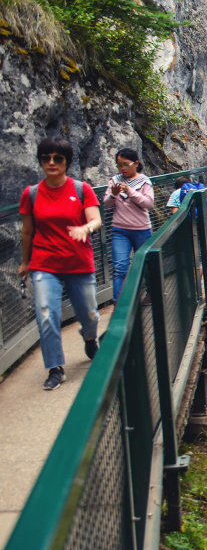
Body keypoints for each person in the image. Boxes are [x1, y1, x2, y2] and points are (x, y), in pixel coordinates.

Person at [18, 138, 102, 390]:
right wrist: (25, 263)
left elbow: (95, 219)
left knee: (90, 314)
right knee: (46, 313)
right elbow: (26, 232)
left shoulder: (81, 189)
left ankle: (89, 337)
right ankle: (55, 367)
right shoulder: (31, 194)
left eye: (58, 158)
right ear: (41, 161)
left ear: (67, 162)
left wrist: (85, 228)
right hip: (45, 263)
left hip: (78, 262)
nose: (52, 162)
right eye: (46, 158)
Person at [103, 148, 154, 303]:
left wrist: (131, 192)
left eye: (125, 164)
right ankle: (119, 303)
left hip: (142, 230)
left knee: (147, 265)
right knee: (120, 266)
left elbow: (149, 203)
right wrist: (113, 194)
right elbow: (106, 204)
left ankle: (151, 294)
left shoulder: (144, 181)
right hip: (120, 230)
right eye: (119, 165)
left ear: (136, 163)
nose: (122, 168)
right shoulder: (114, 180)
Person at [167, 176, 207, 250]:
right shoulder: (203, 190)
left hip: (186, 231)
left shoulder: (176, 193)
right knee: (203, 252)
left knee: (190, 254)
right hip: (204, 227)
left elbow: (175, 214)